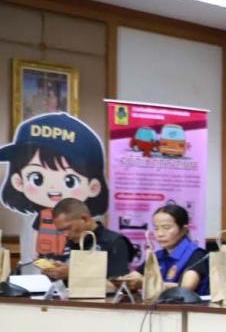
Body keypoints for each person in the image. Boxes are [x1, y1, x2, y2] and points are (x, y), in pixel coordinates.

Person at [0, 112, 110, 259]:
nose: (52, 188)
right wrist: (32, 257)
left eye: (70, 181)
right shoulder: (42, 216)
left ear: (93, 187)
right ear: (18, 182)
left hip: (75, 266)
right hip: (44, 263)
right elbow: (34, 238)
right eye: (37, 178)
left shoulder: (87, 226)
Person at [124, 204, 209, 296]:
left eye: (166, 228)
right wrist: (124, 281)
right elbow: (135, 276)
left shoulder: (197, 255)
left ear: (184, 230)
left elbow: (185, 288)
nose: (160, 234)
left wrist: (146, 283)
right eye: (156, 228)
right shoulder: (158, 256)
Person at [42, 197, 133, 282]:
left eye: (68, 228)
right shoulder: (72, 241)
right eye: (61, 231)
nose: (65, 234)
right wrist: (55, 271)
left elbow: (119, 284)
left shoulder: (115, 242)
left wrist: (73, 273)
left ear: (85, 219)